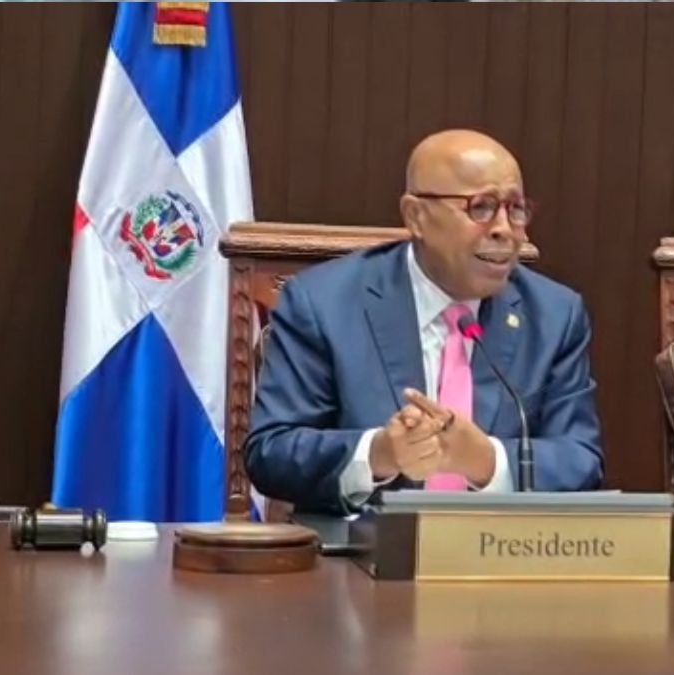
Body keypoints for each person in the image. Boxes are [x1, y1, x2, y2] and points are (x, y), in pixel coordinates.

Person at [246, 129, 603, 514]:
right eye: (481, 207)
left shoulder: (553, 315)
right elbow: (272, 452)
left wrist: (486, 461)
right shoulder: (324, 303)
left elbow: (581, 460)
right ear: (416, 216)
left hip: (502, 546)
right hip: (364, 546)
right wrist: (379, 454)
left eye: (515, 208)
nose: (505, 229)